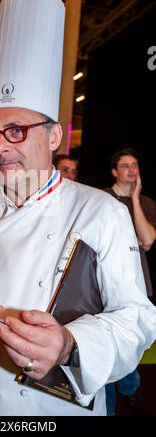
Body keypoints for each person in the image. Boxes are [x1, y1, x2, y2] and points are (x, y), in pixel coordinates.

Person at [0, 0, 156, 416]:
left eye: (17, 130)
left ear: (55, 136)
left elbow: (137, 318)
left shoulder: (101, 213)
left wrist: (69, 344)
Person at [104, 147, 156, 415]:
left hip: (137, 284)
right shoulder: (101, 199)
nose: (132, 170)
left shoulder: (145, 203)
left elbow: (146, 240)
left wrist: (134, 199)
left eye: (135, 165)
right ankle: (110, 407)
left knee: (130, 342)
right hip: (105, 283)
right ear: (114, 171)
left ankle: (130, 383)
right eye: (126, 165)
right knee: (108, 346)